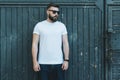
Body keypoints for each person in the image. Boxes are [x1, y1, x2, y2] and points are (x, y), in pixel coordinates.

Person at [32, 3, 69, 80]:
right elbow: (34, 44)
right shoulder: (39, 26)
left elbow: (65, 43)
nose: (56, 14)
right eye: (54, 12)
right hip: (43, 64)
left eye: (58, 12)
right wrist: (35, 62)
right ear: (47, 11)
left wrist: (66, 60)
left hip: (59, 63)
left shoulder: (62, 26)